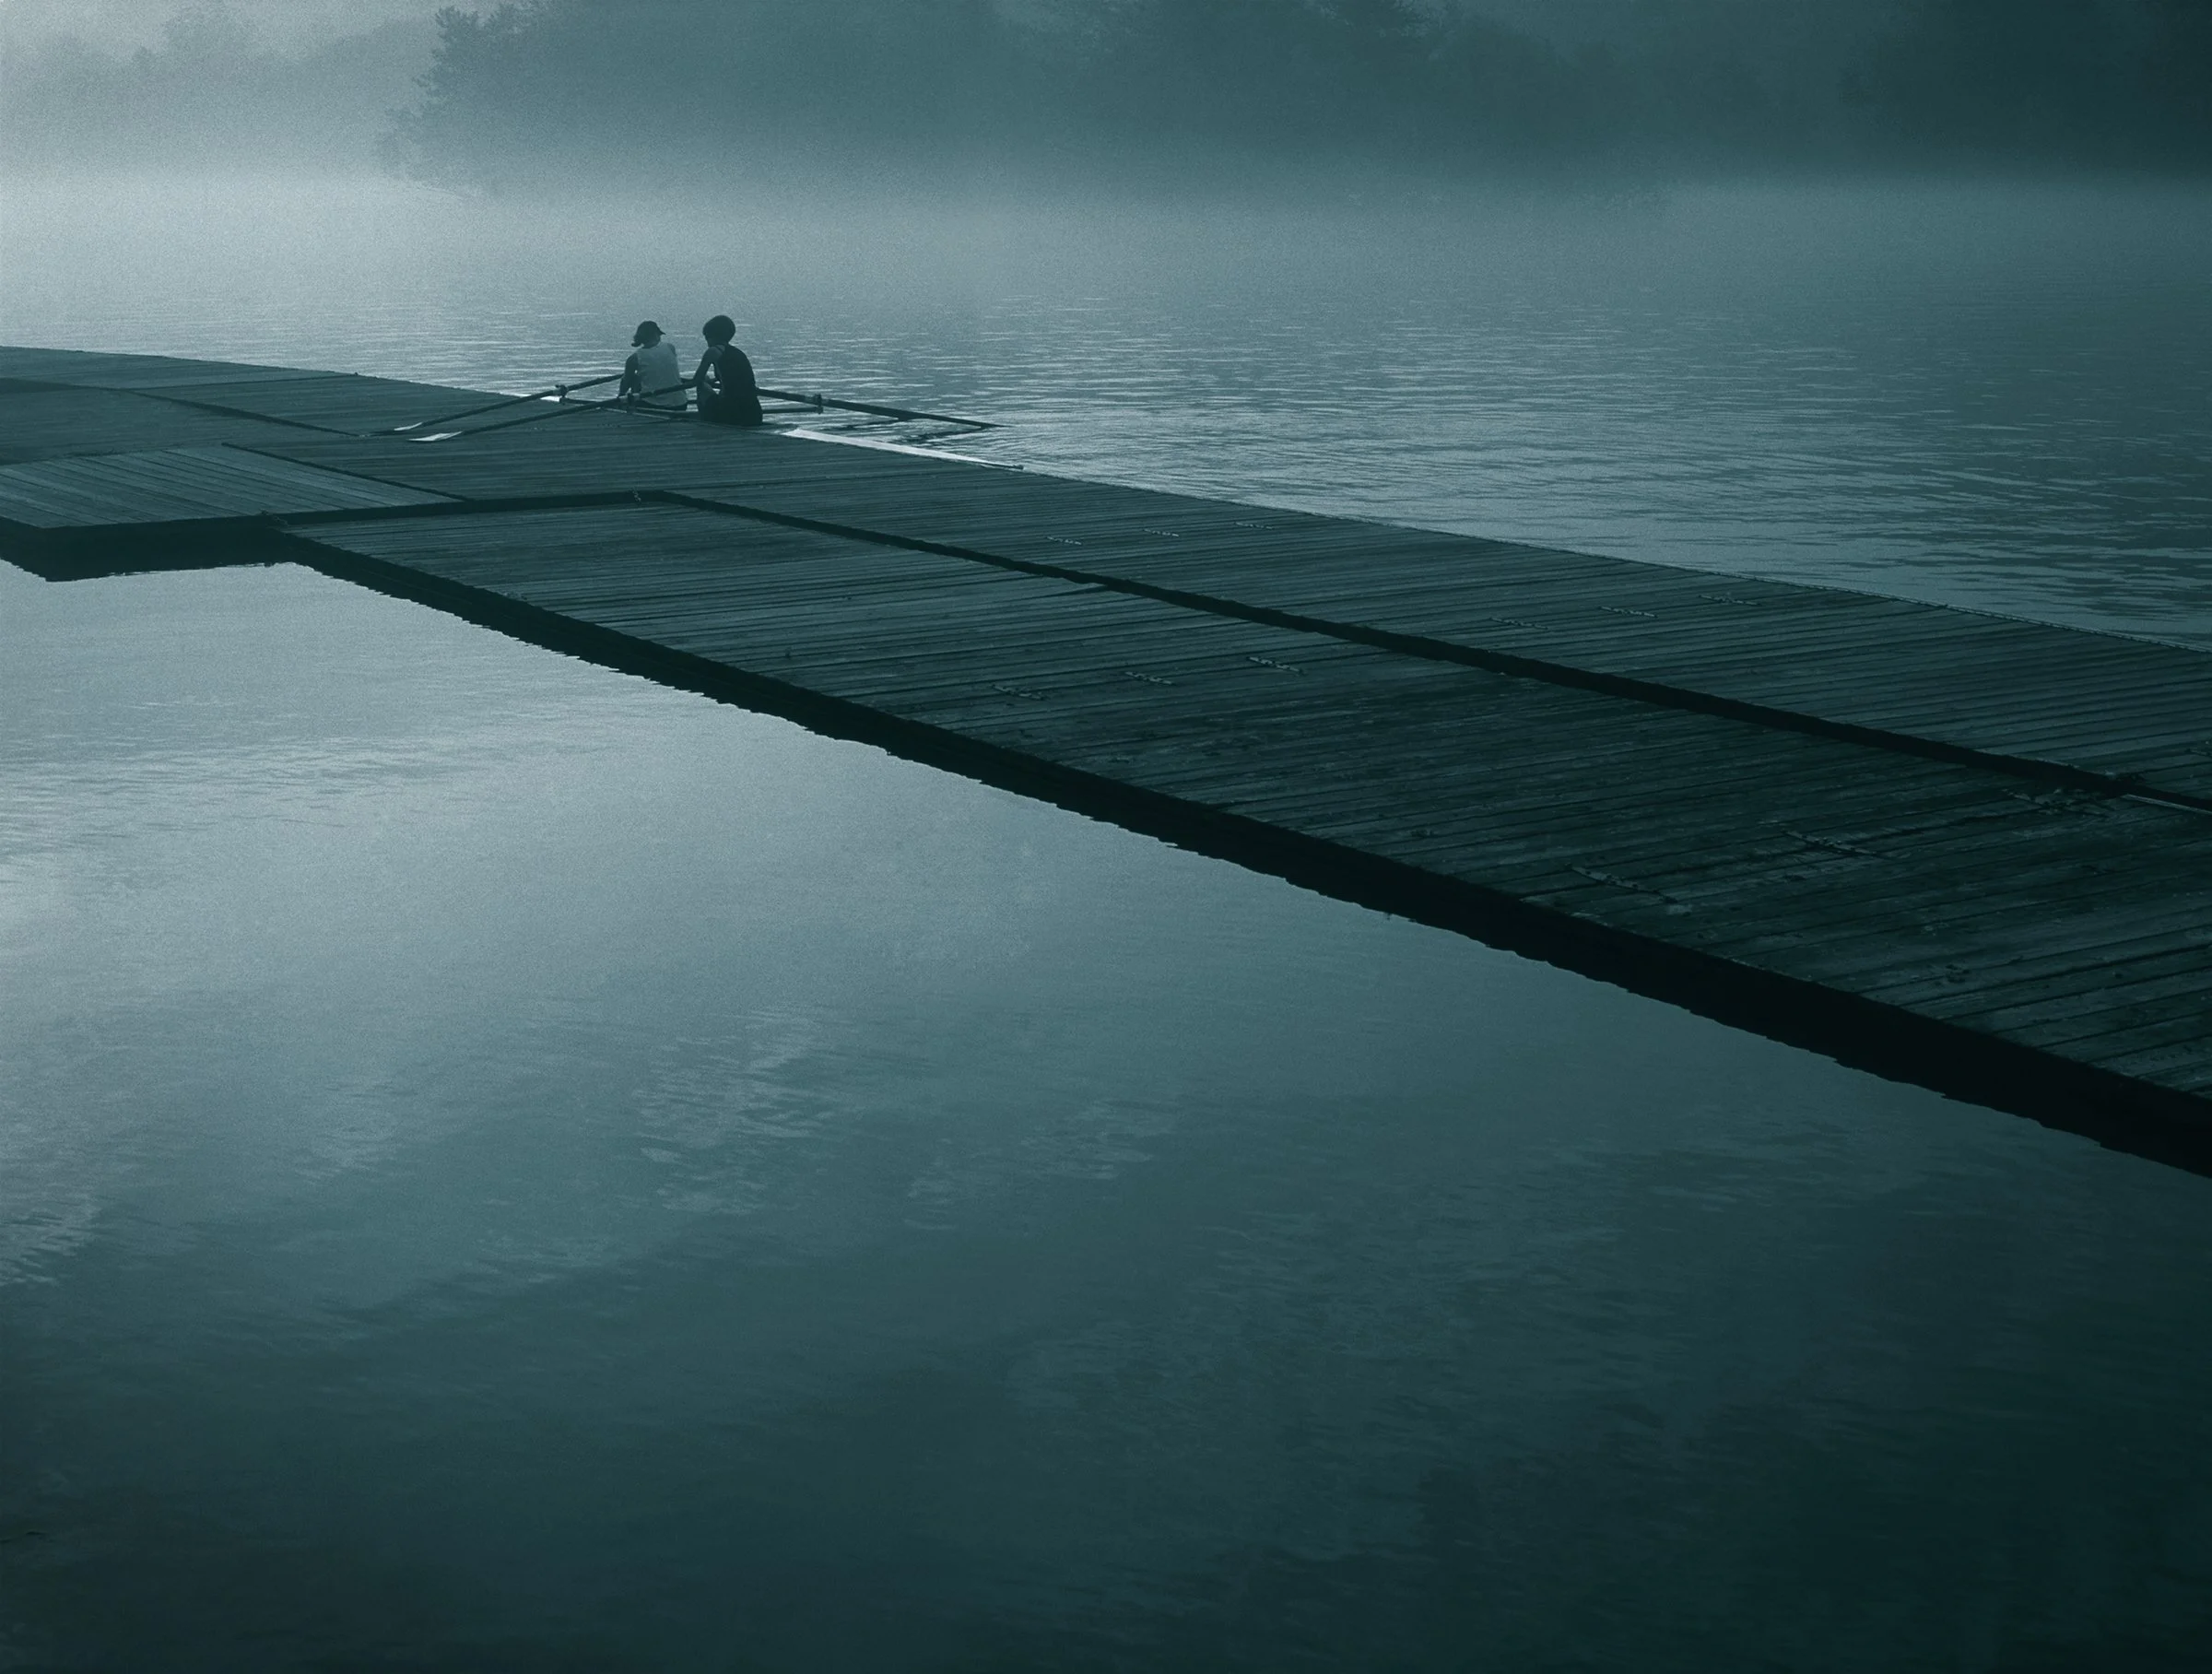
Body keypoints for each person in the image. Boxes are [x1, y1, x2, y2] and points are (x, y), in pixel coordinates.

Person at [693, 314, 763, 428]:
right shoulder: (738, 353)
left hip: (731, 414)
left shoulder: (713, 352)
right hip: (754, 413)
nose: (707, 342)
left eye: (707, 338)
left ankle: (706, 422)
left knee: (702, 385)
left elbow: (696, 380)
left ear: (712, 336)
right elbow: (733, 377)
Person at [618, 321, 686, 411]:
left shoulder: (634, 358)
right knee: (637, 377)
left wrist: (620, 396)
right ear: (655, 335)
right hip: (681, 403)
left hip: (654, 405)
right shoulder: (670, 347)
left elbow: (625, 383)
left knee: (633, 378)